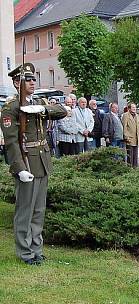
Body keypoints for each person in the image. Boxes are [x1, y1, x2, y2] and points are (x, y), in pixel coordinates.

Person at [0, 63, 67, 265]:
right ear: (16, 83)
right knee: (25, 211)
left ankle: (36, 248)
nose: (32, 82)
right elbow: (11, 142)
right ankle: (25, 252)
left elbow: (61, 110)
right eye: (27, 80)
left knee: (38, 211)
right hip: (27, 163)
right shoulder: (11, 108)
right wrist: (19, 168)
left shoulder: (39, 102)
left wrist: (42, 109)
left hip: (42, 161)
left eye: (33, 79)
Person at [122, 103, 139, 168]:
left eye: (135, 107)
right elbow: (124, 127)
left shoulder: (137, 116)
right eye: (133, 107)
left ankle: (135, 167)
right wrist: (126, 137)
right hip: (130, 138)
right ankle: (130, 167)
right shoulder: (125, 115)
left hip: (136, 138)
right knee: (130, 155)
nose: (134, 109)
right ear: (129, 108)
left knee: (135, 154)